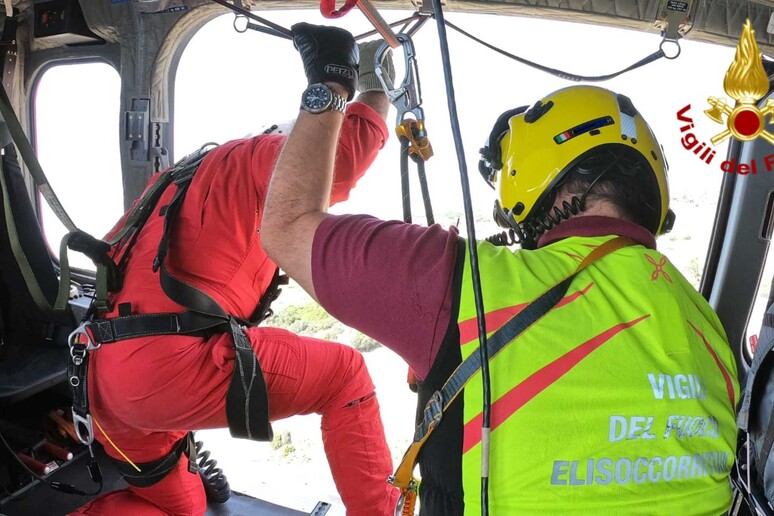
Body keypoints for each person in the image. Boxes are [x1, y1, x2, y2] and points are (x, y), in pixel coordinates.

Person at [261, 28, 740, 514]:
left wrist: (331, 84)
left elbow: (286, 226)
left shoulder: (462, 281)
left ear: (532, 172)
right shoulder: (707, 324)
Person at [69, 30, 399, 516]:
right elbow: (340, 162)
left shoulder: (172, 181)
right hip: (166, 370)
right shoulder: (263, 155)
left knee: (186, 507)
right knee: (345, 376)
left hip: (99, 380)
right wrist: (374, 90)